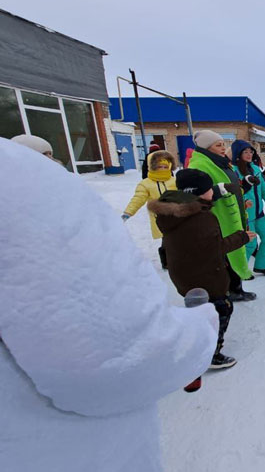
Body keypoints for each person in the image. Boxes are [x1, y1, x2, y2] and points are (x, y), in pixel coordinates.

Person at [0, 137, 217, 472]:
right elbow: (121, 355)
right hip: (63, 451)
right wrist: (199, 331)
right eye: (49, 156)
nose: (55, 162)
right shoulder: (23, 187)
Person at [149, 169, 255, 369]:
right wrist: (241, 237)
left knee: (199, 311)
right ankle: (210, 353)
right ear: (197, 193)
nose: (212, 192)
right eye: (208, 190)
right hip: (205, 274)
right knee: (221, 309)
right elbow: (215, 249)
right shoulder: (200, 219)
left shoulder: (174, 211)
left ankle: (196, 343)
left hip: (185, 273)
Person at [188, 130, 256, 301]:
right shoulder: (200, 166)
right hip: (218, 219)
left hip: (231, 216)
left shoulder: (221, 163)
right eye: (218, 145)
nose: (223, 148)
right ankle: (227, 292)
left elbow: (231, 186)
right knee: (225, 256)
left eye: (223, 144)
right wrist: (220, 190)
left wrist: (245, 186)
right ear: (206, 147)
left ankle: (235, 288)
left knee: (233, 251)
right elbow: (197, 196)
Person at [231, 140, 265, 276]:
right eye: (245, 152)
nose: (249, 154)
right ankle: (240, 272)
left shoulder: (256, 169)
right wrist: (244, 201)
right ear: (237, 154)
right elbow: (233, 193)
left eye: (250, 152)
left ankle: (261, 265)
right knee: (250, 244)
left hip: (259, 214)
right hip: (246, 216)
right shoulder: (233, 171)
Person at [122, 149, 177, 269]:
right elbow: (138, 198)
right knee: (167, 240)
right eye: (159, 166)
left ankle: (179, 258)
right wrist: (128, 212)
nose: (162, 169)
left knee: (178, 238)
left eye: (165, 166)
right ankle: (166, 262)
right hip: (160, 218)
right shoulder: (146, 184)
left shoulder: (174, 181)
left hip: (177, 215)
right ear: (152, 167)